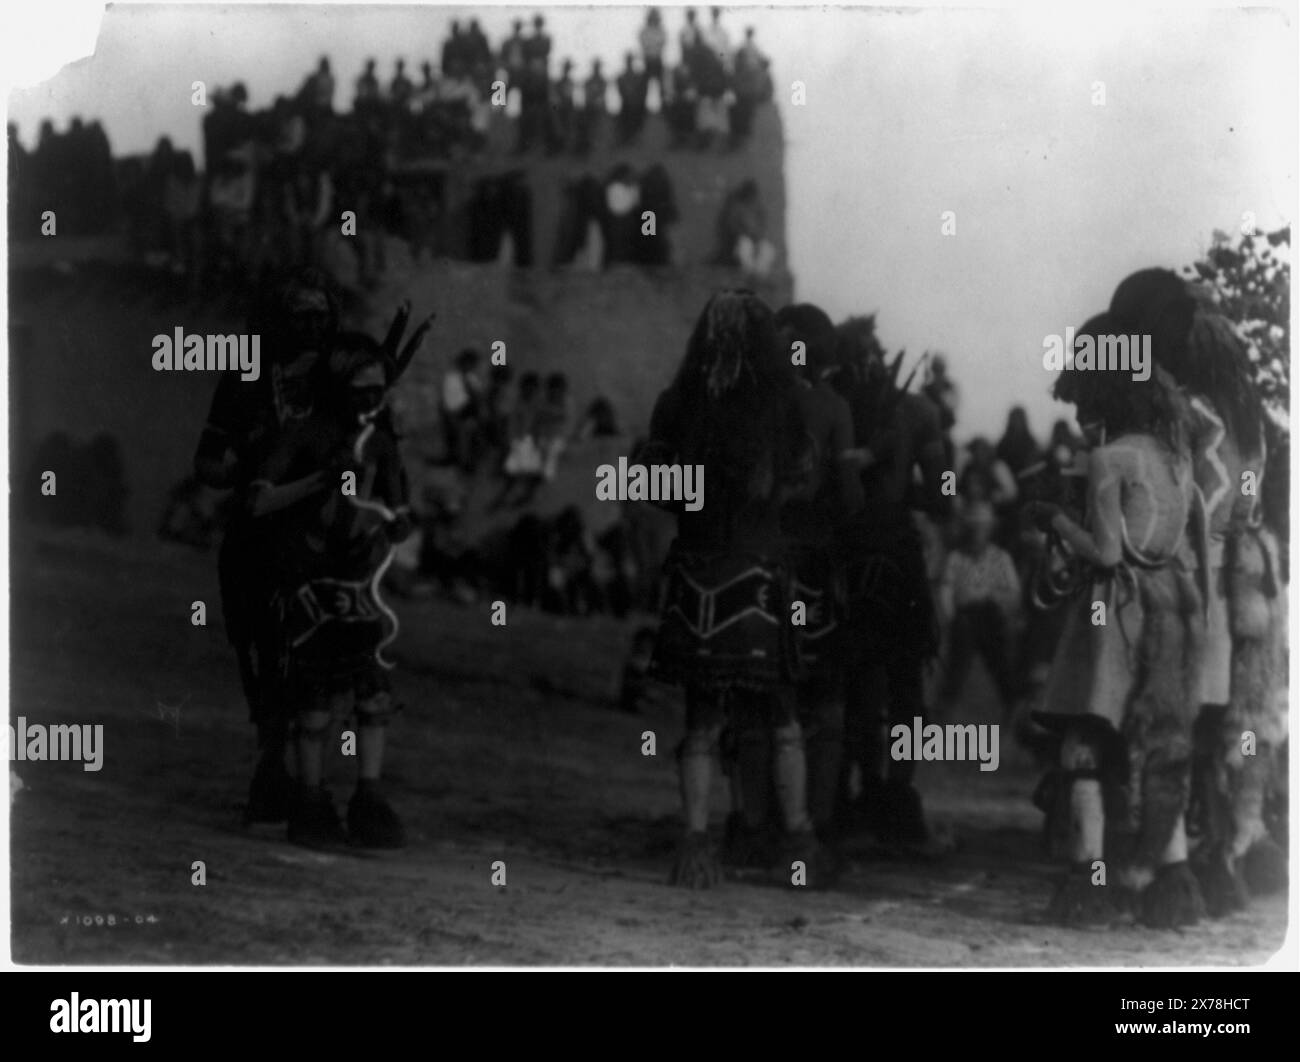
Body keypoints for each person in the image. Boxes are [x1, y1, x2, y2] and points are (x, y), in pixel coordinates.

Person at [1108, 267, 1284, 914]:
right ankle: (1224, 862)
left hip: (1193, 573)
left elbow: (1182, 504)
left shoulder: (1187, 416)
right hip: (1250, 574)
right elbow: (1246, 501)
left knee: (1172, 724)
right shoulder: (1251, 422)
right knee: (1228, 726)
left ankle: (1167, 867)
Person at [645, 290, 829, 888]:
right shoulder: (784, 404)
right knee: (782, 716)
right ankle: (798, 844)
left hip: (698, 579)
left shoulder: (676, 405)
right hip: (759, 578)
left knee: (699, 721)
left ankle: (696, 843)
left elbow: (662, 490)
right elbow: (804, 484)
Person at [1031, 314, 1206, 929]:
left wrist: (1055, 518)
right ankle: (1172, 883)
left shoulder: (1110, 458)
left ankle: (1090, 881)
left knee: (1085, 740)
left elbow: (1104, 553)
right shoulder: (1175, 456)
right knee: (1157, 745)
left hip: (1115, 612)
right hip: (1171, 603)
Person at [248, 333, 414, 847]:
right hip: (305, 572)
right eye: (360, 390)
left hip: (356, 576)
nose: (370, 400)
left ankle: (368, 796)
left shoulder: (381, 443)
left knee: (373, 690)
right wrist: (320, 481)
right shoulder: (305, 433)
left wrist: (389, 525)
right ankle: (310, 800)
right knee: (314, 697)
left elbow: (401, 512)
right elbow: (256, 503)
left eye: (378, 391)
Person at [834, 314, 952, 845]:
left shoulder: (832, 403)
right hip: (895, 561)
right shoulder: (919, 412)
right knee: (902, 683)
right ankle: (893, 797)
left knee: (854, 679)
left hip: (844, 560)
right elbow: (942, 494)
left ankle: (856, 793)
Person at [938, 501, 1021, 718]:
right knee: (956, 671)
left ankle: (1012, 710)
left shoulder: (1001, 558)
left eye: (982, 528)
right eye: (973, 527)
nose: (977, 533)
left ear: (990, 530)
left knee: (1001, 667)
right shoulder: (956, 557)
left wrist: (995, 599)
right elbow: (946, 589)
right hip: (965, 620)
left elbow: (1013, 592)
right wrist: (950, 616)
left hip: (990, 617)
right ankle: (942, 715)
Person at [441, 348, 484, 472]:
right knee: (464, 430)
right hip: (456, 414)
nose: (469, 366)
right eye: (467, 363)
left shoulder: (472, 379)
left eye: (471, 364)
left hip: (470, 414)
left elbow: (478, 397)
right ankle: (461, 459)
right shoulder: (452, 378)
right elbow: (451, 402)